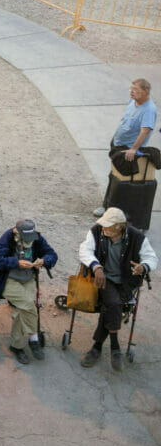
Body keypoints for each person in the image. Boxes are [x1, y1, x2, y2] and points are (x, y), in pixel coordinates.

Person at [77, 208, 156, 372]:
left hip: (127, 281)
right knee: (113, 302)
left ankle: (97, 347)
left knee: (111, 306)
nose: (104, 228)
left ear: (120, 226)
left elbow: (152, 258)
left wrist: (143, 267)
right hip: (104, 279)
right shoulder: (97, 231)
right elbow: (84, 250)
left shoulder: (136, 237)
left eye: (108, 225)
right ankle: (115, 347)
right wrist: (96, 266)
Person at [0, 219, 58, 364]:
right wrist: (16, 262)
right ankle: (33, 338)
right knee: (28, 304)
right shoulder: (8, 237)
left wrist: (44, 260)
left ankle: (16, 346)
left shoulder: (37, 239)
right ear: (17, 233)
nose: (28, 242)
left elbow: (52, 255)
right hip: (9, 279)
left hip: (28, 278)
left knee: (23, 309)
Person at [94, 78, 156, 217]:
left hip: (127, 149)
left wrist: (133, 149)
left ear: (145, 92)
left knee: (120, 181)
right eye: (131, 89)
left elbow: (145, 131)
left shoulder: (149, 110)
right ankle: (107, 206)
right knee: (113, 176)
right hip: (117, 143)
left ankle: (111, 210)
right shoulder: (133, 101)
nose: (131, 92)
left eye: (136, 90)